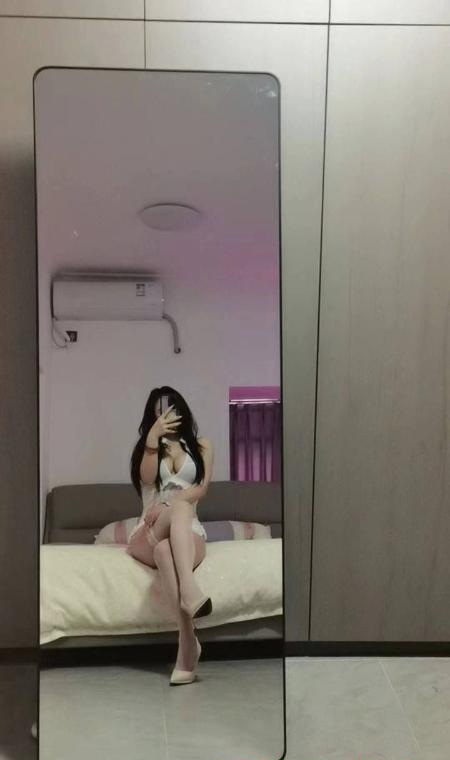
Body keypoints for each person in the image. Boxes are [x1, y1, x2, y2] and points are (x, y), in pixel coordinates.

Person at [128, 386, 214, 685]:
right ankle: (191, 591)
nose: (165, 415)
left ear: (182, 410)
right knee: (179, 508)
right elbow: (147, 478)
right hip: (149, 528)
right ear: (152, 415)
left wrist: (171, 501)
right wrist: (152, 439)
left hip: (188, 529)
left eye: (171, 408)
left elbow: (201, 488)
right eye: (159, 410)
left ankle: (187, 643)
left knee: (166, 551)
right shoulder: (147, 448)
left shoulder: (202, 446)